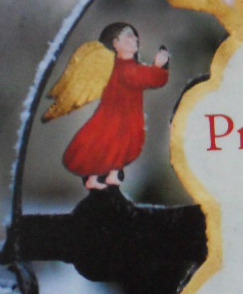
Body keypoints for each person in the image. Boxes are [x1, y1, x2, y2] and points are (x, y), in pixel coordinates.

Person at [61, 23, 169, 190]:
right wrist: (158, 66)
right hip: (115, 119)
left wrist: (160, 68)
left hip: (126, 118)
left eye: (134, 36)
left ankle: (111, 175)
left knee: (121, 148)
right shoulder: (122, 68)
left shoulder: (128, 66)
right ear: (115, 44)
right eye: (128, 37)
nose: (134, 40)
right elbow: (143, 77)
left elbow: (151, 79)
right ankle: (95, 177)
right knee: (109, 147)